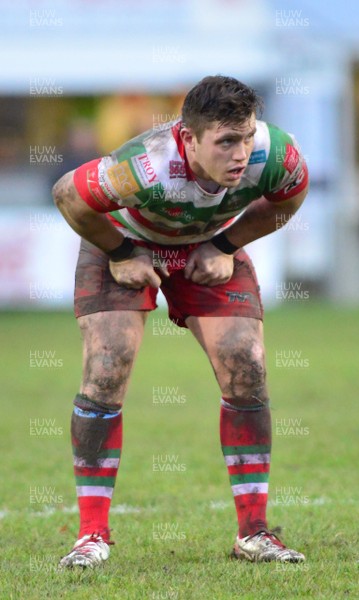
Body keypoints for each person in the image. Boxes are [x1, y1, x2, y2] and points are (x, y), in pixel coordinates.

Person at [53, 75, 309, 568]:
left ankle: (254, 534)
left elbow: (290, 197)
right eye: (226, 142)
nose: (241, 153)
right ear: (189, 139)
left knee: (246, 365)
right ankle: (90, 537)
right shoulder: (145, 167)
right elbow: (68, 194)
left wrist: (226, 246)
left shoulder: (274, 156)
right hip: (124, 242)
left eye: (247, 137)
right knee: (107, 367)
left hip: (207, 246)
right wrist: (122, 252)